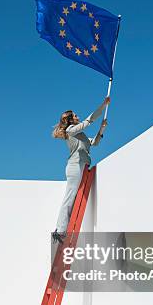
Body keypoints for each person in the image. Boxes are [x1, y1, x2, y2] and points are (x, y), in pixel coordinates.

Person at [51, 96, 110, 243]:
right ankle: (60, 229)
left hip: (81, 166)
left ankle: (64, 228)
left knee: (72, 197)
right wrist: (103, 106)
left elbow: (94, 143)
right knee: (69, 196)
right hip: (74, 166)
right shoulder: (71, 130)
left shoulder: (80, 135)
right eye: (75, 115)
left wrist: (102, 129)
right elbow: (88, 121)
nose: (78, 117)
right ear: (70, 120)